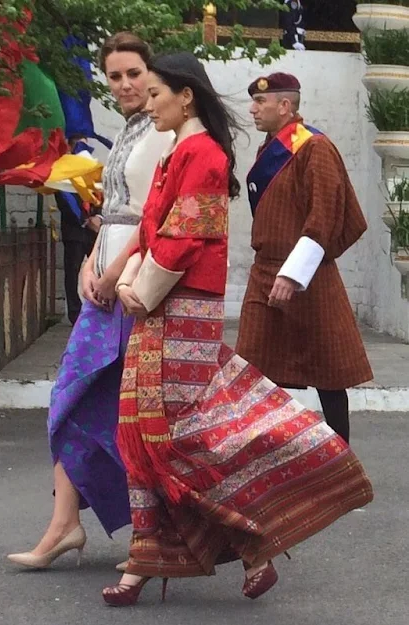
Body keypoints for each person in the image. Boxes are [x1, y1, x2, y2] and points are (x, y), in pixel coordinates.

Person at [102, 52, 373, 607]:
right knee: (171, 422)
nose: (143, 102)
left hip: (278, 279)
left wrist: (138, 288)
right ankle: (172, 551)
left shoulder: (305, 147)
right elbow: (153, 231)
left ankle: (313, 466)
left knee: (209, 422)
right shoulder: (189, 153)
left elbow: (323, 218)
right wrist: (127, 279)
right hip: (208, 288)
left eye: (155, 93)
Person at [7, 33, 174, 569]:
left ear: (154, 74)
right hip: (106, 279)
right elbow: (120, 210)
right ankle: (65, 523)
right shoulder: (130, 128)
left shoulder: (167, 132)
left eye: (134, 73)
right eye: (115, 76)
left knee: (121, 408)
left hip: (135, 289)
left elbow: (159, 217)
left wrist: (118, 267)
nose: (125, 84)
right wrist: (89, 259)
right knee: (79, 400)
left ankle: (167, 530)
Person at [236, 73, 373, 445]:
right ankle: (262, 449)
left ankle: (339, 452)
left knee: (328, 371)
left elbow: (324, 214)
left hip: (308, 274)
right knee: (254, 366)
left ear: (285, 106)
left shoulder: (314, 147)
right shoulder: (271, 148)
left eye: (260, 103)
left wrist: (294, 274)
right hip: (265, 270)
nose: (253, 109)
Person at [54, 136, 101, 325]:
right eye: (79, 140)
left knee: (99, 269)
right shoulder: (64, 169)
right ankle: (75, 314)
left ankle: (98, 308)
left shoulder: (90, 166)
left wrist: (98, 218)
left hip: (93, 230)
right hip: (75, 231)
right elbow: (64, 200)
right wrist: (84, 221)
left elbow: (100, 192)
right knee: (72, 272)